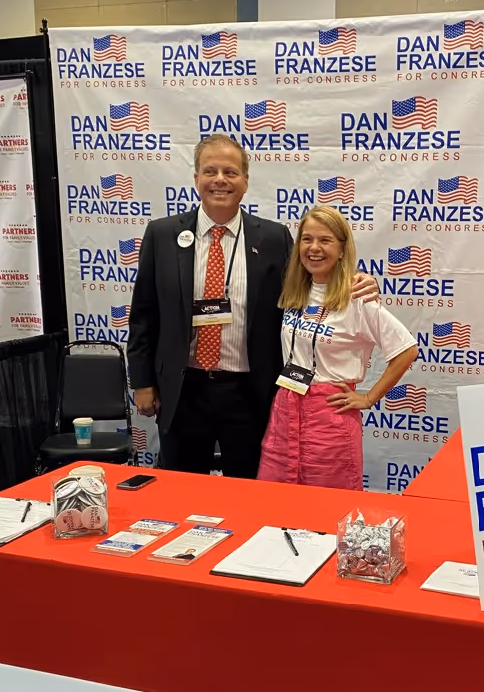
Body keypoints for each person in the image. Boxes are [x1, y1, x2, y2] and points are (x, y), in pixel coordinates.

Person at [126, 135, 377, 478]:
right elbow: (143, 315)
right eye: (210, 170)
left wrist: (357, 282)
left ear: (245, 181)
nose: (220, 180)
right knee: (182, 493)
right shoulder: (162, 235)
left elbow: (312, 283)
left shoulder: (274, 238)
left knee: (249, 494)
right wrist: (141, 382)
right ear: (196, 178)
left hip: (250, 393)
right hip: (182, 391)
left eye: (230, 171)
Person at [258, 205, 418, 490]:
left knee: (327, 509)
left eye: (325, 240)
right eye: (307, 239)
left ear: (343, 249)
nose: (314, 248)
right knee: (275, 499)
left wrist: (369, 398)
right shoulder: (294, 291)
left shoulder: (358, 298)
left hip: (330, 416)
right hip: (286, 410)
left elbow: (406, 349)